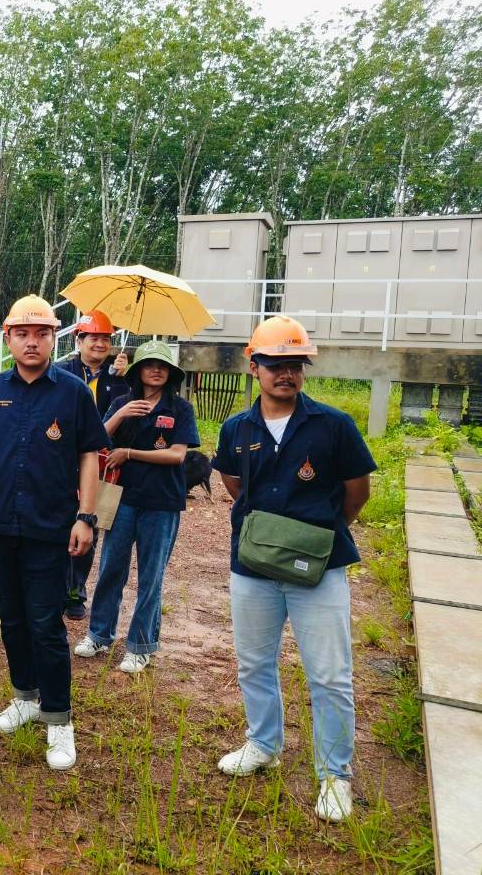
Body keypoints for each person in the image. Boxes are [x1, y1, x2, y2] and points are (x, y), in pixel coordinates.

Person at [211, 315, 375, 823]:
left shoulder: (334, 426)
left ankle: (334, 775)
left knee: (329, 676)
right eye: (275, 364)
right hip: (253, 568)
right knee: (254, 663)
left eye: (295, 365)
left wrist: (316, 536)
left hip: (320, 570)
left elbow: (356, 493)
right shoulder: (237, 429)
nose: (287, 373)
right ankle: (262, 743)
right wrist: (270, 537)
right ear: (253, 365)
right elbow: (235, 485)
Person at [0, 295, 108, 770]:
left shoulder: (72, 392)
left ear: (54, 336)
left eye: (42, 333)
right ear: (8, 338)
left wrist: (86, 516)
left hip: (49, 527)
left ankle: (58, 719)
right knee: (12, 618)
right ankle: (25, 696)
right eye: (22, 333)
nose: (32, 341)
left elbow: (88, 454)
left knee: (45, 625)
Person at [74, 341, 198, 673]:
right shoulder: (121, 402)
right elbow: (95, 441)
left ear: (170, 373)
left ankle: (140, 646)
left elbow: (177, 455)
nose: (155, 370)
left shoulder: (180, 409)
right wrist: (120, 415)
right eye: (148, 365)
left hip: (162, 502)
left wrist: (129, 453)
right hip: (121, 498)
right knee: (111, 567)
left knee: (150, 575)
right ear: (137, 371)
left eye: (162, 366)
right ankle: (99, 634)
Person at [56, 310, 130, 619]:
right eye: (94, 338)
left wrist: (126, 380)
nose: (99, 344)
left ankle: (76, 589)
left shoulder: (121, 380)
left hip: (101, 464)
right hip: (63, 461)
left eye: (105, 339)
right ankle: (55, 585)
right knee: (58, 522)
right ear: (80, 339)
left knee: (89, 525)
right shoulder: (61, 371)